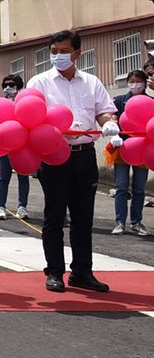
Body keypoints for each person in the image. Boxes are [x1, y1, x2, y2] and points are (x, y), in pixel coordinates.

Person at [28, 29, 117, 293]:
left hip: (85, 154)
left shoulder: (91, 82)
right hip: (55, 154)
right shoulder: (40, 82)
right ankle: (55, 271)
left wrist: (110, 124)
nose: (58, 56)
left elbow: (104, 111)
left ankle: (82, 272)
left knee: (83, 218)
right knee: (55, 216)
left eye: (64, 52)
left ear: (77, 53)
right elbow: (31, 117)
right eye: (54, 52)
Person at [111, 70, 149, 237]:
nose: (135, 85)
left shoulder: (151, 101)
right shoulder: (119, 101)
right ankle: (120, 222)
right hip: (122, 148)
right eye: (132, 81)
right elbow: (112, 119)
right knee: (121, 187)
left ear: (145, 83)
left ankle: (136, 222)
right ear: (127, 82)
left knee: (139, 189)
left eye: (139, 81)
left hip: (143, 149)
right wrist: (114, 135)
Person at [0, 74, 30, 220]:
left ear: (18, 87)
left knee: (23, 176)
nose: (8, 88)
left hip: (22, 145)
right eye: (5, 86)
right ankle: (1, 207)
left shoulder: (24, 103)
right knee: (4, 177)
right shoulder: (0, 103)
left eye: (12, 85)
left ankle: (22, 206)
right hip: (6, 145)